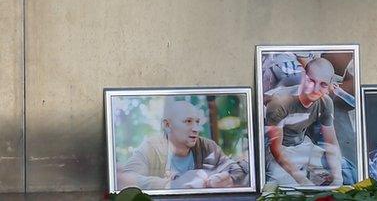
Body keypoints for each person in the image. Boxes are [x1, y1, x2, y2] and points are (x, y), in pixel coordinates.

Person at [117, 100, 246, 190]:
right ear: (167, 125)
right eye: (188, 121)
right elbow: (124, 179)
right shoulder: (152, 147)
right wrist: (173, 184)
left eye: (197, 122)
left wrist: (228, 179)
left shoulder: (207, 146)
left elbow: (236, 170)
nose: (196, 128)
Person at [264, 56, 345, 187]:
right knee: (287, 189)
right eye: (311, 81)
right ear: (304, 76)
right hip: (275, 150)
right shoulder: (280, 102)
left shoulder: (325, 102)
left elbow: (331, 142)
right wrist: (303, 181)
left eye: (323, 84)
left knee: (344, 171)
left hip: (303, 145)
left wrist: (338, 177)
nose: (315, 89)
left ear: (329, 86)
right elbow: (276, 150)